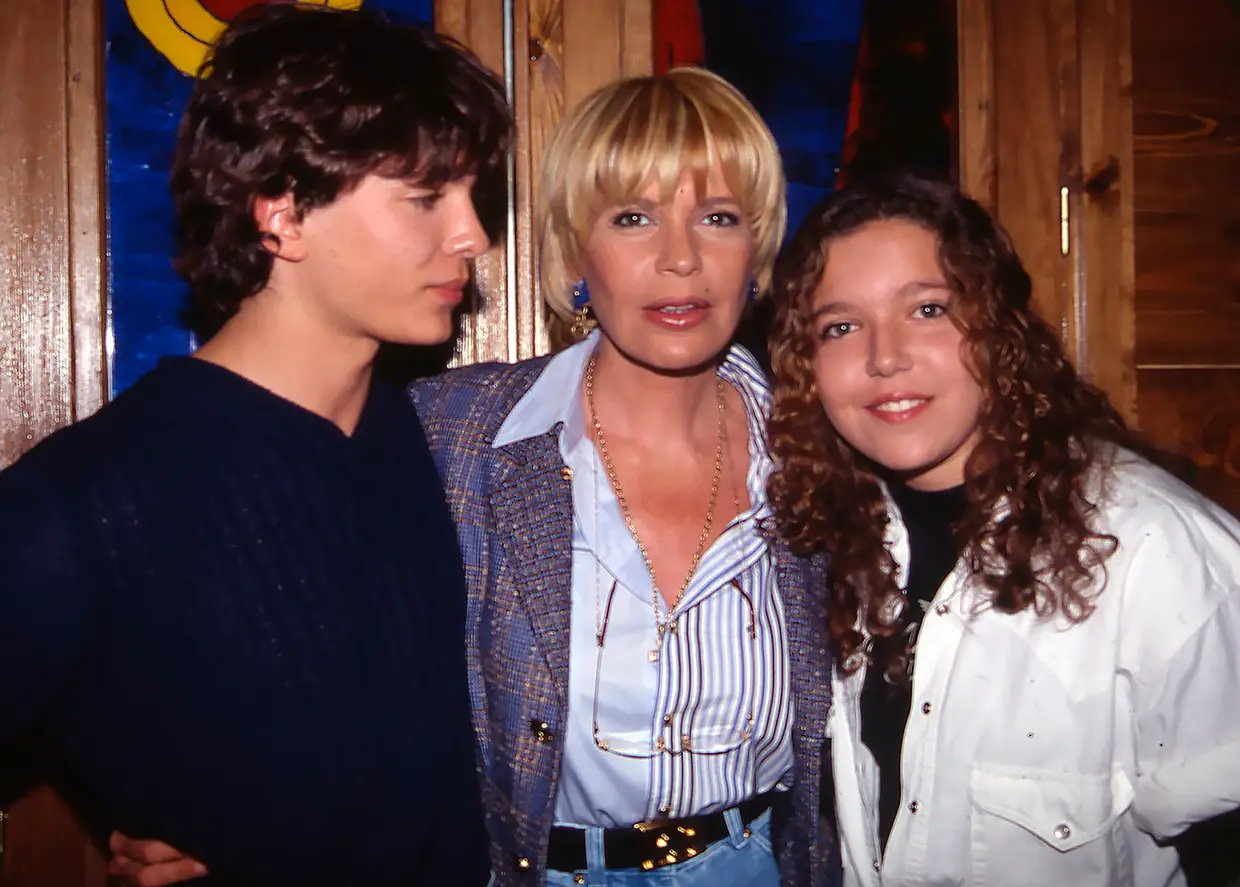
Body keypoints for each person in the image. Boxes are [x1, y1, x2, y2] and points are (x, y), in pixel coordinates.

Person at [110, 67, 836, 887]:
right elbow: (304, 615)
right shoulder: (452, 432)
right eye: (633, 217)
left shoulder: (827, 450)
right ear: (575, 254)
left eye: (719, 217)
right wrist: (227, 795)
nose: (681, 258)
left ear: (758, 247)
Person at [0, 4, 511, 886]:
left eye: (471, 195)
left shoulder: (437, 439)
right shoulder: (84, 503)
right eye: (427, 198)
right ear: (282, 214)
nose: (471, 234)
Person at [764, 172, 1240, 886]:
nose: (883, 356)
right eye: (840, 326)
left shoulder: (1158, 551)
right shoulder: (825, 543)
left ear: (998, 329)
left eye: (927, 309)